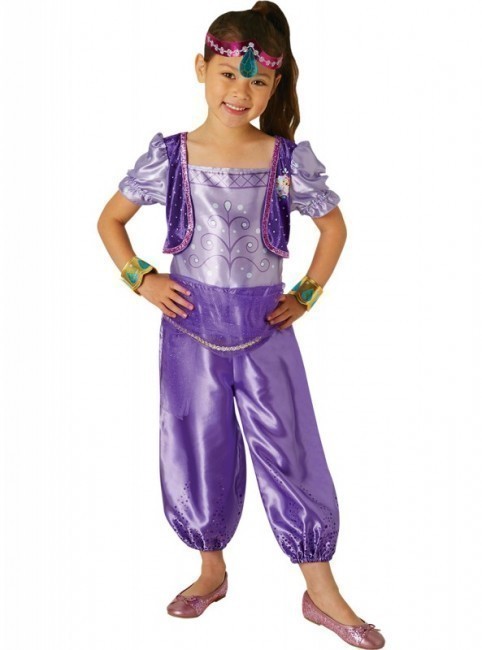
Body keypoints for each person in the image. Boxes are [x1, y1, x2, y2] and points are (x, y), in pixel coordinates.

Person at [97, 2, 385, 647]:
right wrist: (142, 278)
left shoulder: (282, 158)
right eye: (228, 74)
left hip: (264, 329)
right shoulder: (173, 157)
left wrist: (306, 293)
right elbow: (109, 220)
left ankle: (320, 589)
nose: (240, 91)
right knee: (198, 441)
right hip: (190, 326)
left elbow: (333, 228)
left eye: (258, 81)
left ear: (275, 85)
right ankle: (211, 569)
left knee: (290, 445)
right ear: (201, 69)